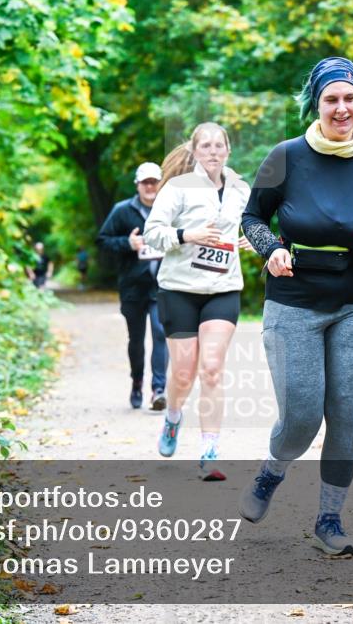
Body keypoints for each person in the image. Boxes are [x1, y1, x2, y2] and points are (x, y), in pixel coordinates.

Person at [239, 56, 353, 556]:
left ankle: (330, 519)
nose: (341, 108)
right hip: (294, 303)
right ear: (316, 103)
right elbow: (252, 219)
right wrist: (272, 249)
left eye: (349, 98)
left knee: (346, 412)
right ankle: (272, 472)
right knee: (303, 415)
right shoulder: (285, 156)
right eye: (331, 99)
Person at [142, 123, 251, 481]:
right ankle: (173, 416)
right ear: (195, 151)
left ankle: (209, 451)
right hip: (179, 290)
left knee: (213, 368)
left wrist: (254, 239)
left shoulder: (240, 189)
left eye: (219, 145)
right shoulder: (177, 188)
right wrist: (188, 234)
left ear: (228, 150)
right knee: (185, 371)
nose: (213, 151)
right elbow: (152, 234)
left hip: (223, 288)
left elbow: (252, 225)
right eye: (206, 145)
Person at [96, 162, 170, 410]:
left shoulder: (170, 209)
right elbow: (102, 241)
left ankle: (159, 390)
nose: (150, 187)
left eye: (154, 182)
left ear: (160, 184)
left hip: (162, 285)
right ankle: (137, 380)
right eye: (145, 182)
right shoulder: (122, 211)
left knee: (161, 332)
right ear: (137, 185)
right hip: (133, 287)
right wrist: (128, 243)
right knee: (136, 339)